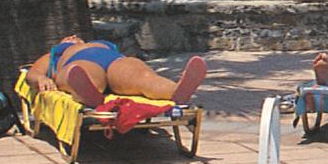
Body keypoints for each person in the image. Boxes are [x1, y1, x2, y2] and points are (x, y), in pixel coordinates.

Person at [25, 34, 206, 108]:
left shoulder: (101, 43)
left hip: (114, 62)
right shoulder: (57, 53)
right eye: (68, 37)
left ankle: (176, 91)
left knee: (144, 77)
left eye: (76, 37)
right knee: (80, 73)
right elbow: (31, 74)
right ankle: (89, 93)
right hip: (79, 62)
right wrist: (41, 79)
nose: (73, 37)